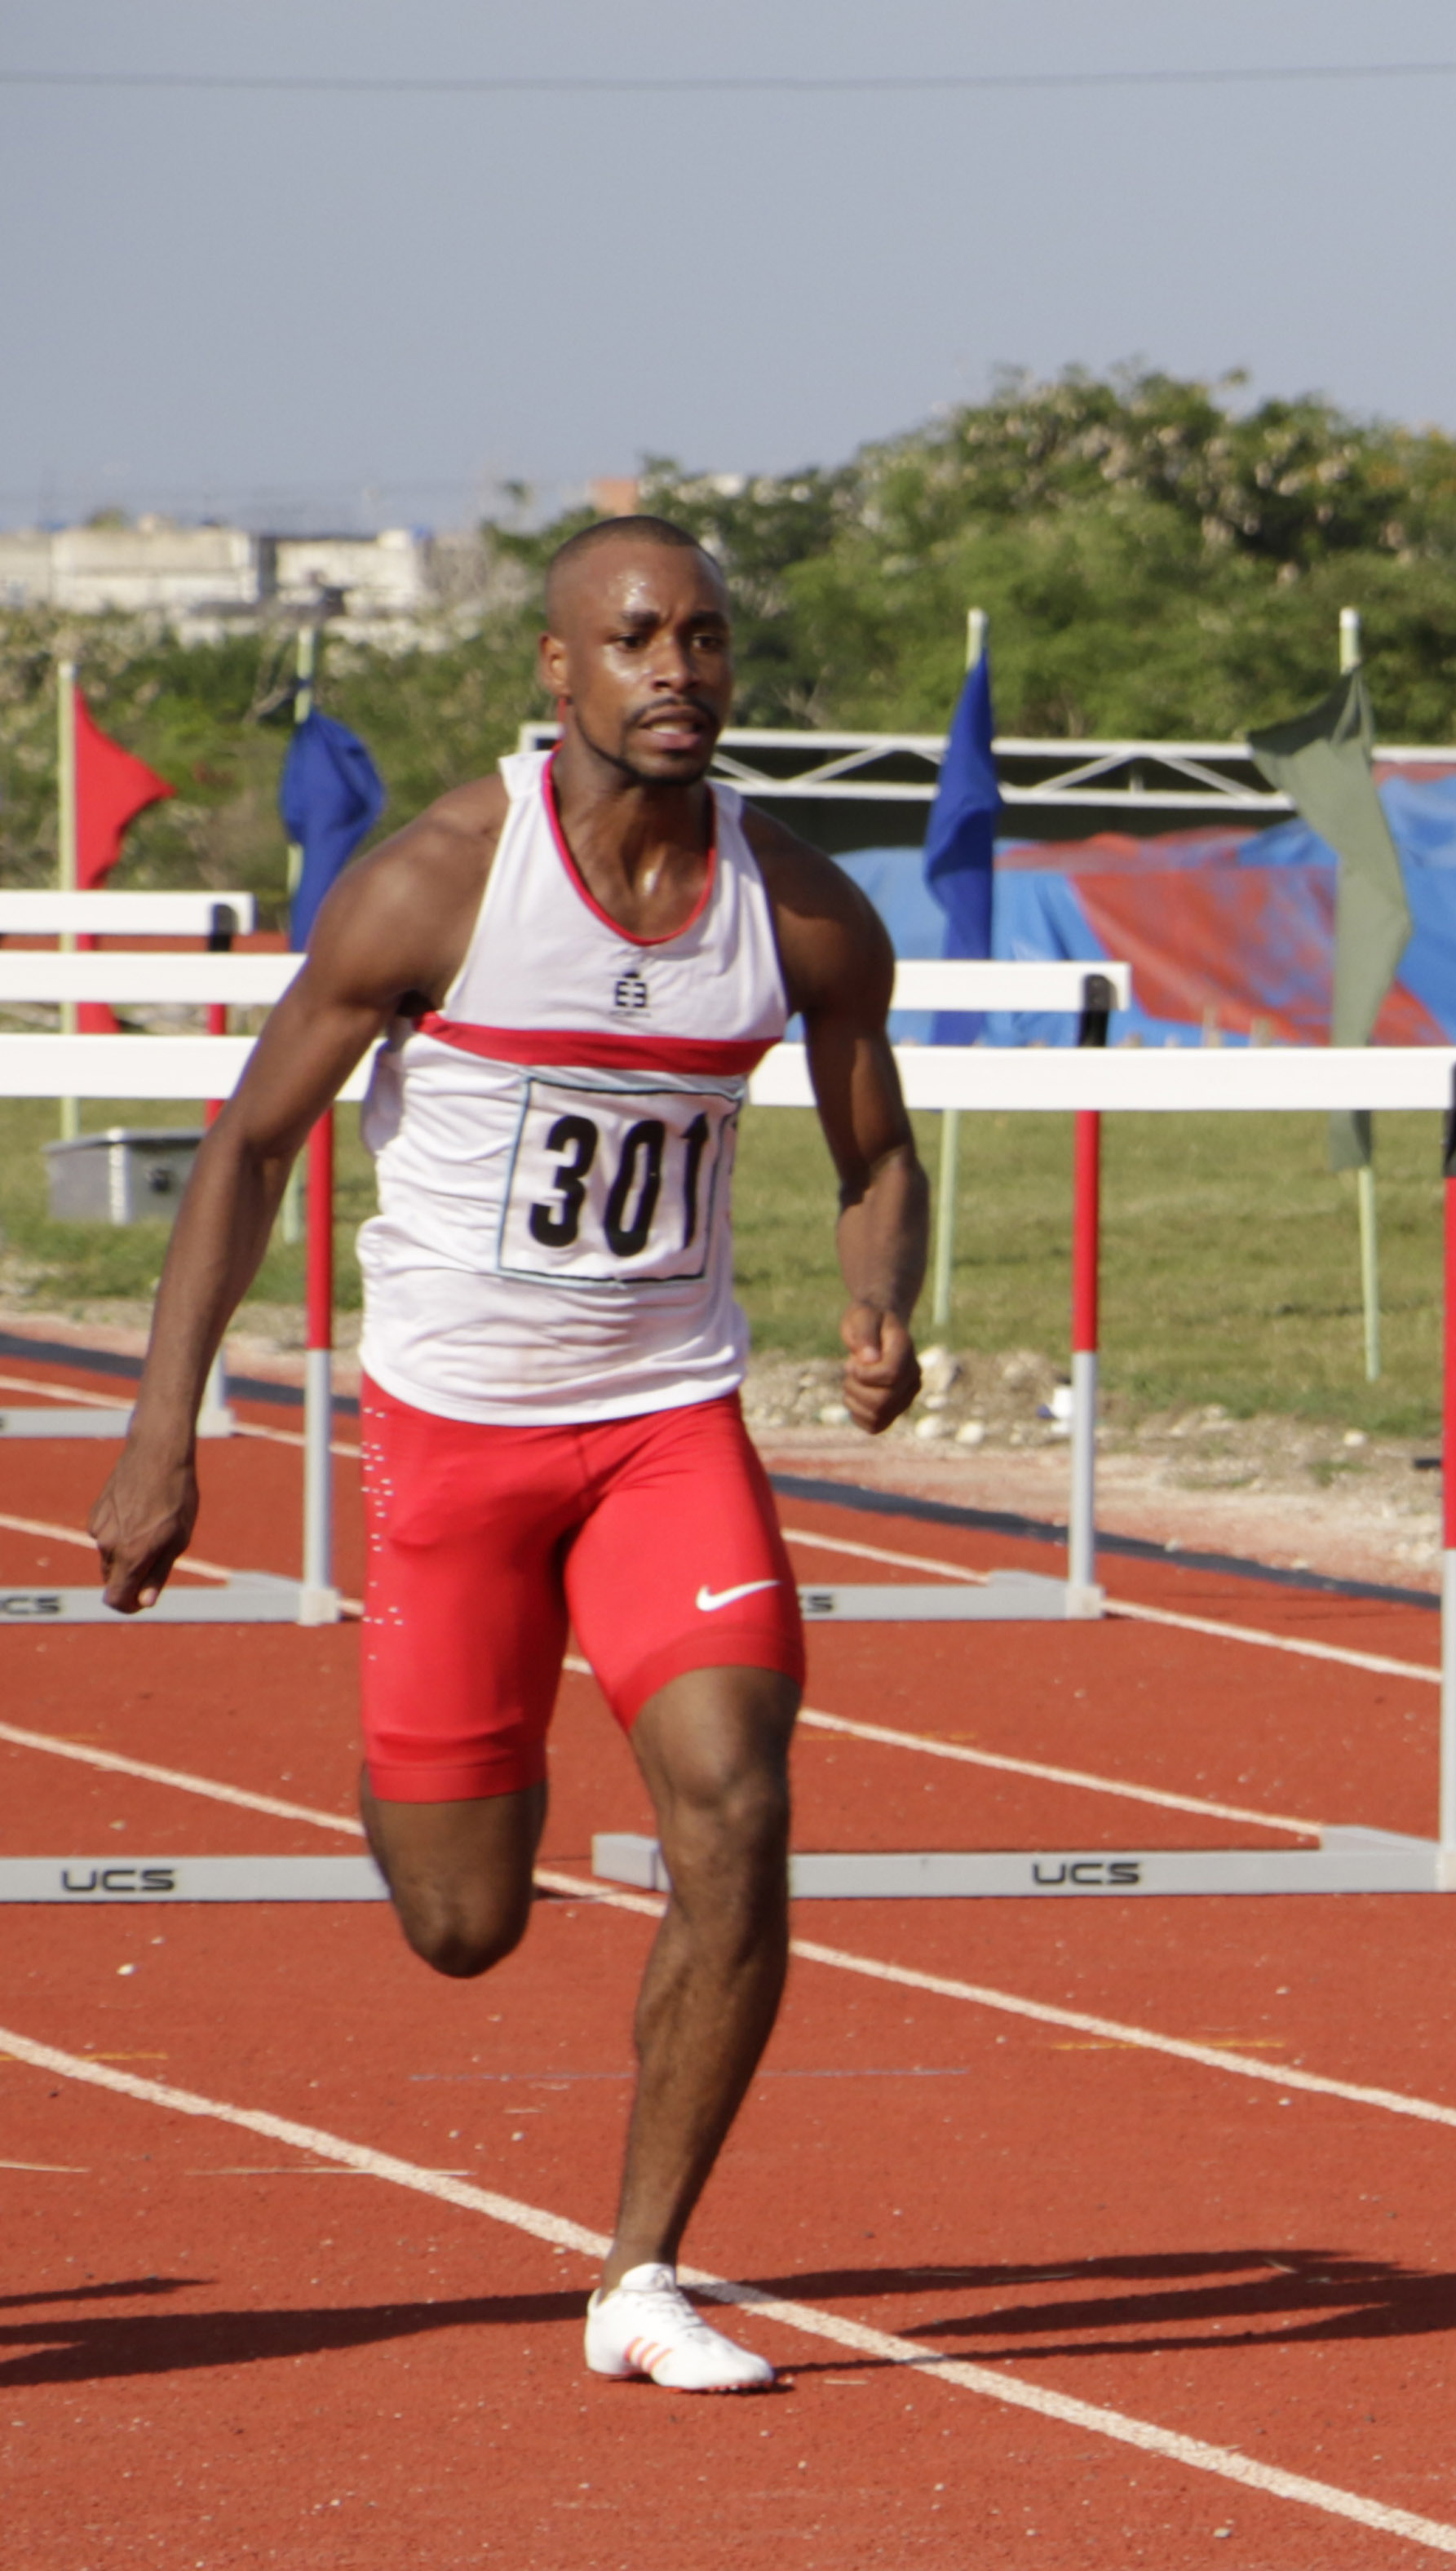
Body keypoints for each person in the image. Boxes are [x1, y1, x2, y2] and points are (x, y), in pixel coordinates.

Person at [91, 516, 924, 2395]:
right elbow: (244, 1151)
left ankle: (643, 2274)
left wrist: (881, 1299)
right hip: (458, 1444)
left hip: (663, 1432)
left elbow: (876, 1151)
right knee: (464, 1922)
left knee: (737, 1799)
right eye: (635, 638)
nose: (678, 671)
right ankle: (453, 1772)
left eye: (705, 638)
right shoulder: (437, 888)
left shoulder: (797, 913)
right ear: (557, 671)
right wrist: (167, 1436)